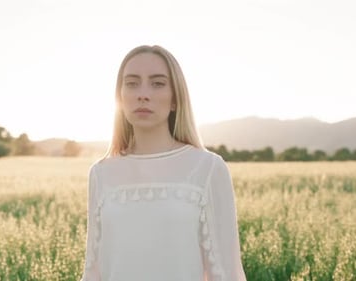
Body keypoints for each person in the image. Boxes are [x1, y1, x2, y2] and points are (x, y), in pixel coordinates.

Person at [80, 45, 246, 281]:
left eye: (157, 83)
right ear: (120, 98)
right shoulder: (101, 172)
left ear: (175, 99)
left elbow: (226, 270)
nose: (143, 94)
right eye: (132, 83)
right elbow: (93, 269)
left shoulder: (207, 167)